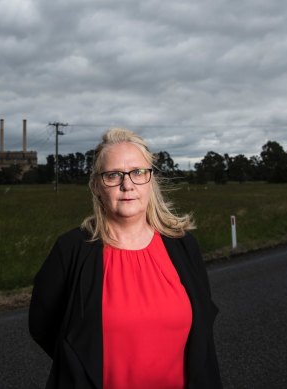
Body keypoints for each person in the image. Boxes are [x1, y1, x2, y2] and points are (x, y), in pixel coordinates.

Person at [29, 128, 222, 388]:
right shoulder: (71, 249)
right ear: (97, 185)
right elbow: (44, 325)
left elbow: (202, 326)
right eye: (113, 175)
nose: (127, 184)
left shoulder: (183, 246)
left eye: (138, 172)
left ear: (150, 180)